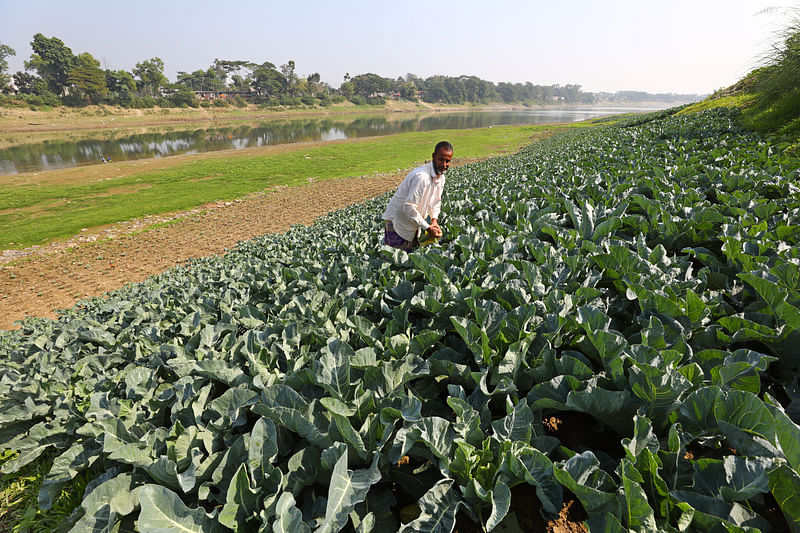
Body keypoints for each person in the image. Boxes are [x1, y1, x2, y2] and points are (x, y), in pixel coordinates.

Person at [382, 141, 453, 251]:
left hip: (412, 222)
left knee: (410, 258)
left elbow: (436, 202)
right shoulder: (422, 177)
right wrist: (428, 228)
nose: (444, 165)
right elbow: (408, 207)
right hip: (397, 221)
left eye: (447, 161)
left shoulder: (441, 178)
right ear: (434, 157)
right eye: (441, 159)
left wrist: (434, 220)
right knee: (394, 261)